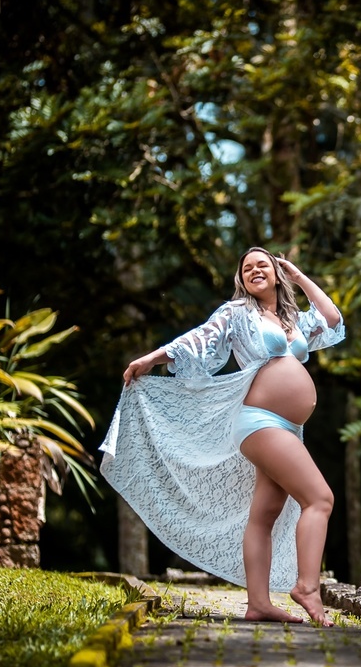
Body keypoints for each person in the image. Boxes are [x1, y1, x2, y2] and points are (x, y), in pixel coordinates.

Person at [99, 247, 345, 626]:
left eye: (262, 265)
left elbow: (331, 318)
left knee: (263, 515)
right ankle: (307, 587)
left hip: (288, 428)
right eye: (247, 268)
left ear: (276, 273)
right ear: (241, 279)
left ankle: (258, 604)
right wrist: (152, 358)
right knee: (320, 499)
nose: (254, 270)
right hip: (260, 421)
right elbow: (199, 339)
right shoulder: (238, 314)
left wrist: (297, 276)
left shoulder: (292, 320)